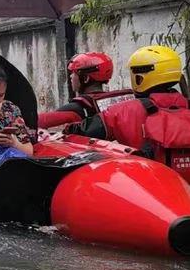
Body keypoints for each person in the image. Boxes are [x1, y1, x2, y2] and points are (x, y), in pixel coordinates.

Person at [77, 47, 190, 179]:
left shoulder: (122, 111)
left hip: (147, 190)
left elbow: (83, 131)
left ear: (139, 77)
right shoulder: (186, 105)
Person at [56, 52, 132, 120]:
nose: (71, 76)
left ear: (86, 78)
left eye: (74, 73)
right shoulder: (121, 100)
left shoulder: (74, 108)